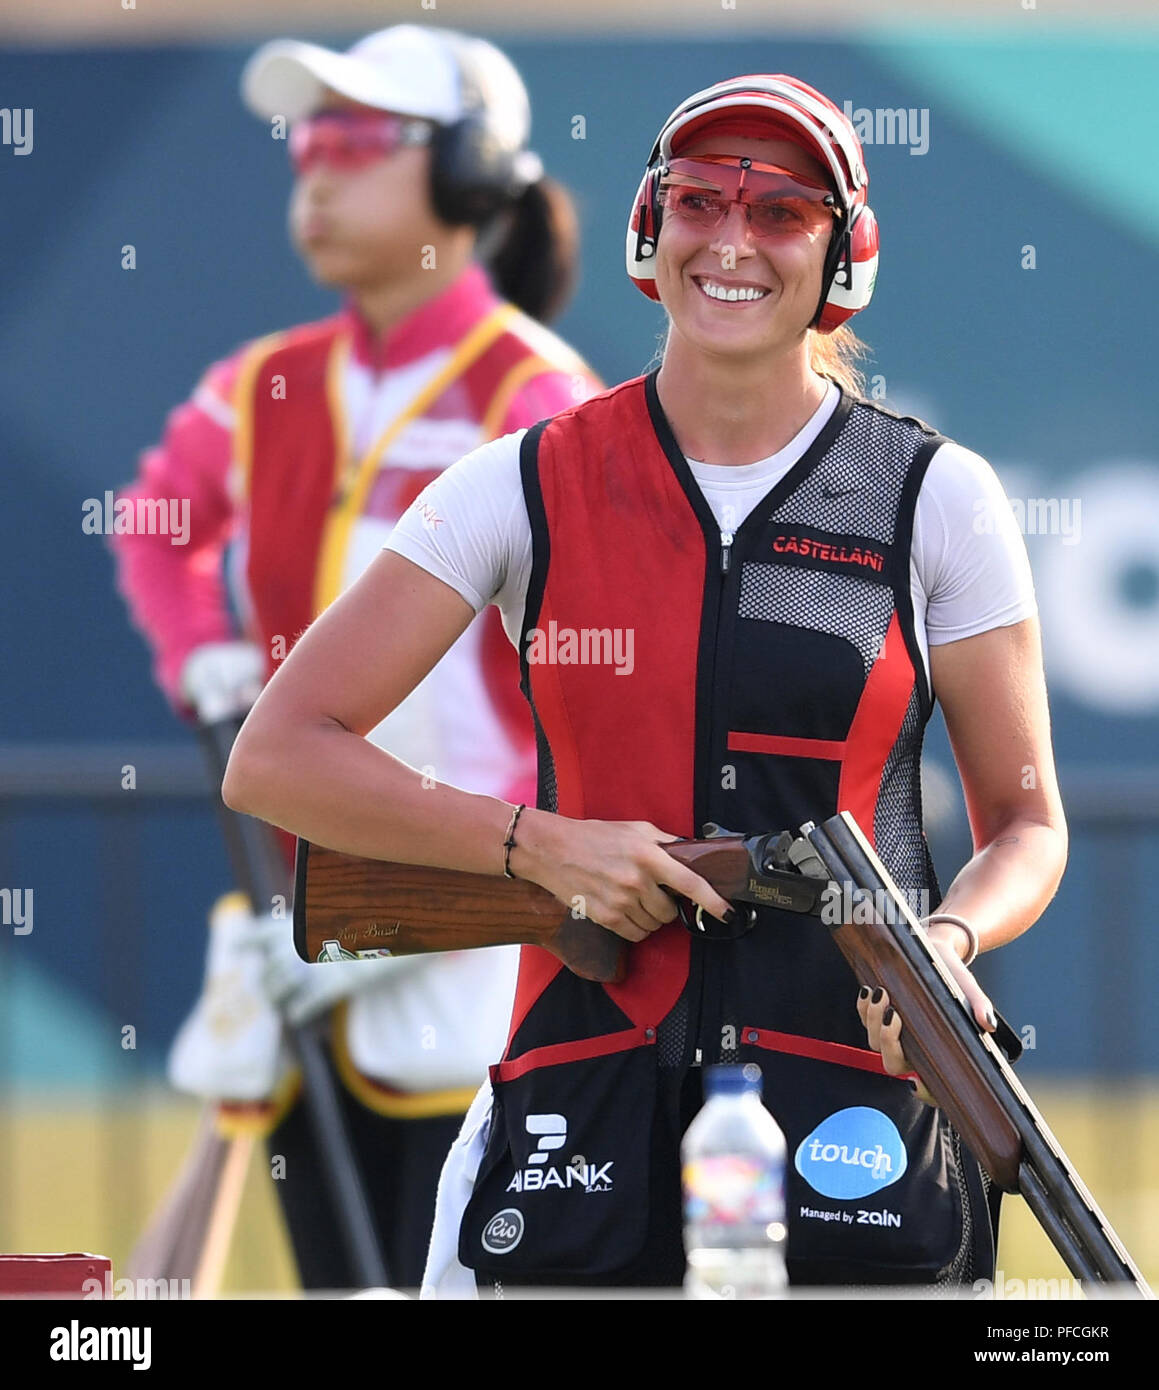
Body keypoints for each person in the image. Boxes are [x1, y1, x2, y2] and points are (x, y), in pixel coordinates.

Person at [221, 73, 1068, 1293]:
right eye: (698, 200)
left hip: (856, 1116)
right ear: (648, 229)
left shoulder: (937, 497)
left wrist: (942, 942)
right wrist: (540, 847)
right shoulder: (515, 481)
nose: (731, 240)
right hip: (580, 1104)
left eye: (780, 210)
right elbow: (280, 753)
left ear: (843, 253)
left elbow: (1027, 823)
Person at [110, 24, 601, 1291]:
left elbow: (592, 682)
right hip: (299, 921)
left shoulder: (537, 397)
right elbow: (158, 530)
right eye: (306, 145)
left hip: (484, 936)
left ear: (468, 173)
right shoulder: (261, 382)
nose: (316, 176)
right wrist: (199, 654)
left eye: (362, 143)